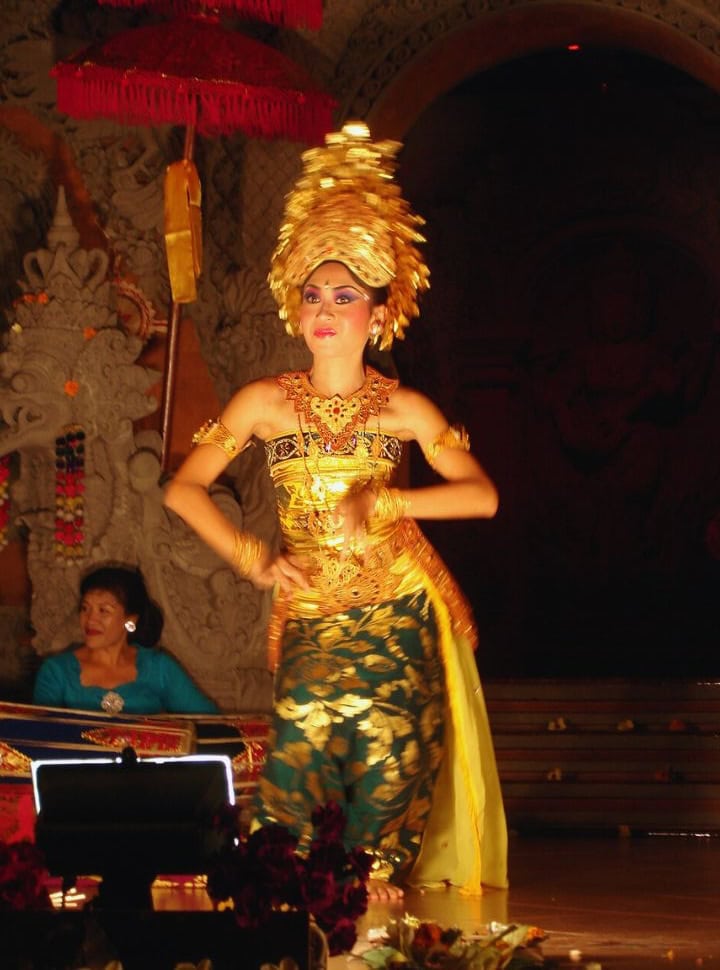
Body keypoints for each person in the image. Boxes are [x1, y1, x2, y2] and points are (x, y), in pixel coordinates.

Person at [164, 122, 507, 898]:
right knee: (304, 737)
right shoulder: (263, 404)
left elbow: (481, 497)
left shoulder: (406, 411)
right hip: (313, 605)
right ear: (295, 306)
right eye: (314, 294)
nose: (326, 310)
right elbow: (182, 488)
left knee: (394, 747)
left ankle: (373, 867)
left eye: (345, 296)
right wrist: (250, 557)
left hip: (398, 608)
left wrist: (389, 498)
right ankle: (279, 864)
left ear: (379, 314)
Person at [33, 564, 218, 715]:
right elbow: (40, 738)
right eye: (85, 608)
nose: (90, 620)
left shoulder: (159, 667)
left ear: (130, 620)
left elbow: (210, 723)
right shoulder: (56, 672)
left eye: (103, 611)